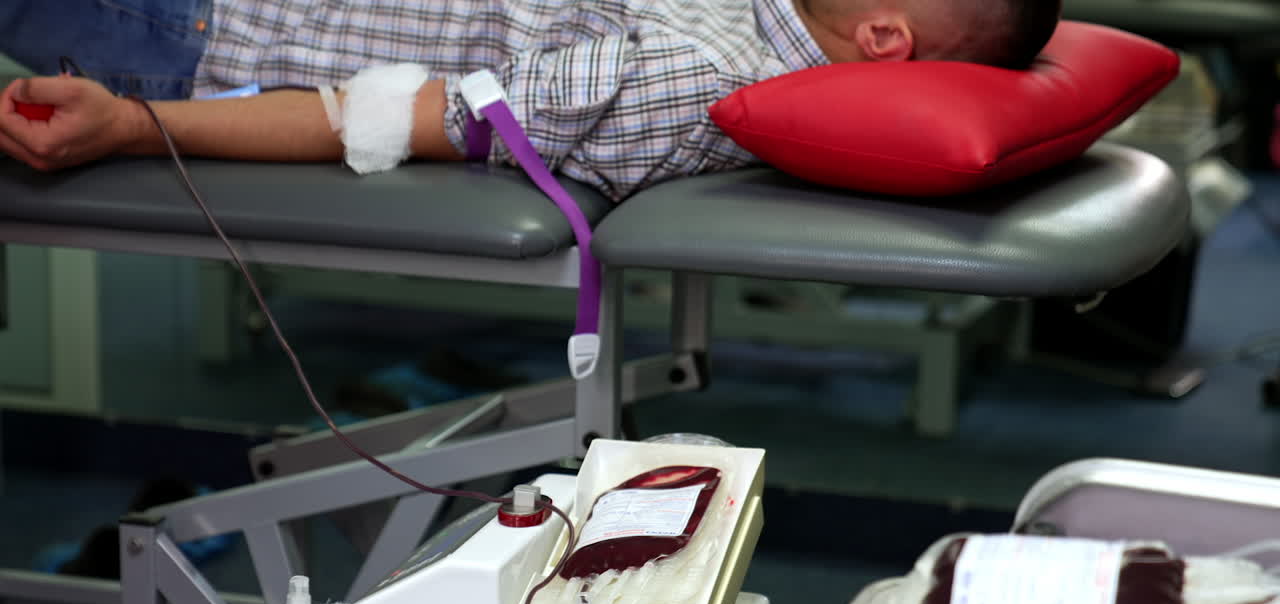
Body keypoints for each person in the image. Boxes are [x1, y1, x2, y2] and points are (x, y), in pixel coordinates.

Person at [0, 0, 1062, 200]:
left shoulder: (693, 80)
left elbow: (376, 117)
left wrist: (140, 128)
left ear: (883, 38)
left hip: (194, 24)